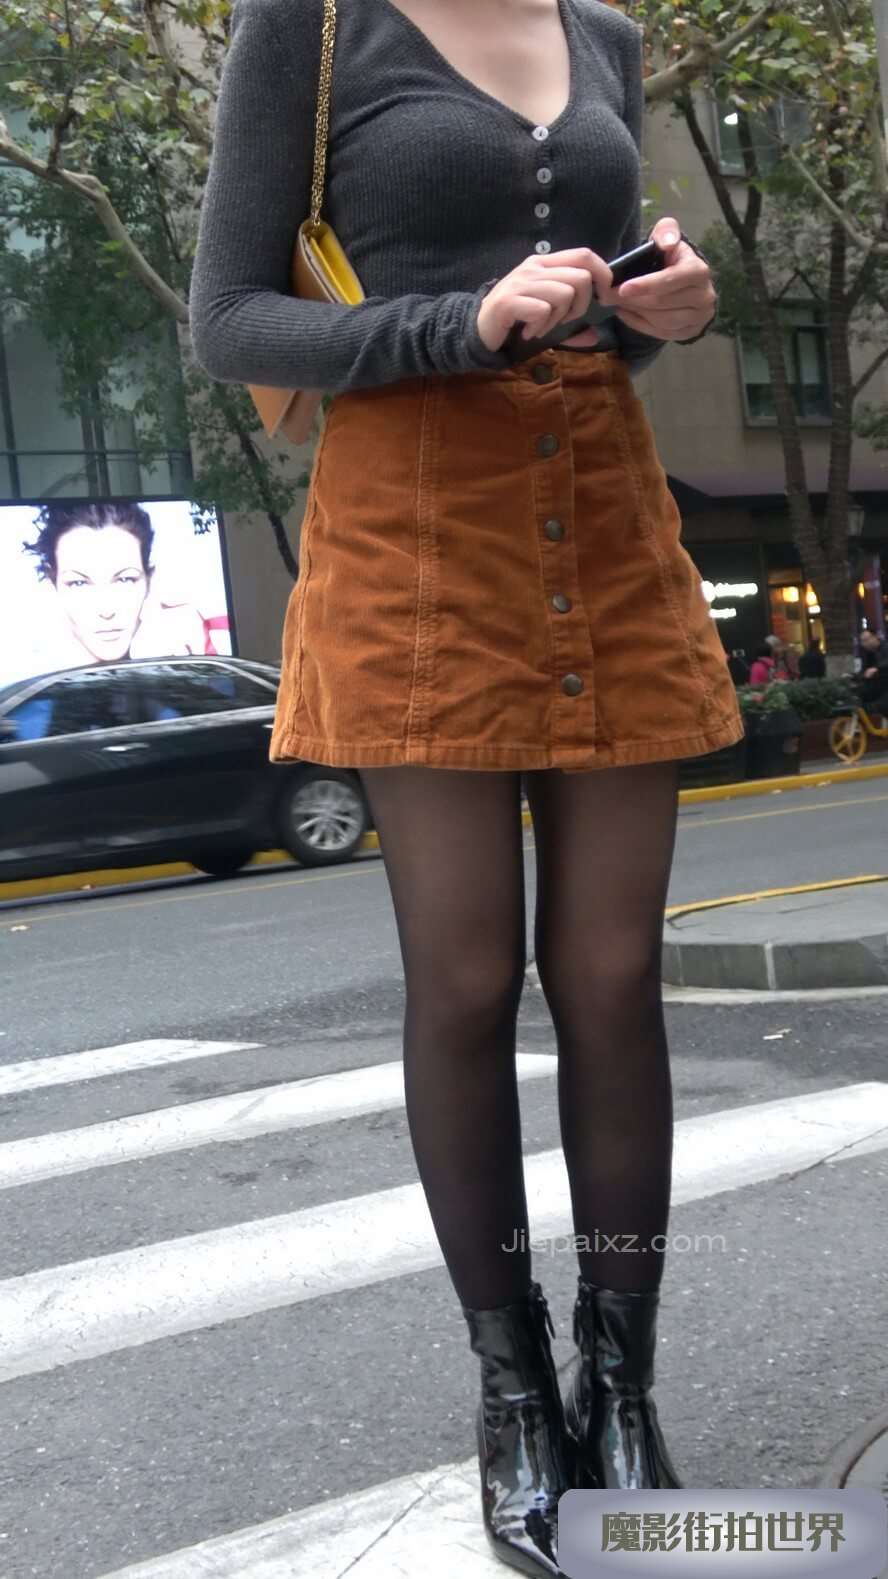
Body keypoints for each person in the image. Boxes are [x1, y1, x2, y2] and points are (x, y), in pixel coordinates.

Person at [189, 1, 744, 1571]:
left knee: (617, 976)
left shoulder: (603, 30)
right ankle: (513, 1393)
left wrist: (661, 312)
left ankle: (619, 1383)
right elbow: (230, 319)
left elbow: (607, 312)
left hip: (604, 512)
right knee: (466, 977)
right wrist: (464, 321)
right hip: (415, 533)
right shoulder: (312, 25)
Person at [22, 503, 222, 670]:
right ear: (53, 586)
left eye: (125, 580)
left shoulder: (197, 639)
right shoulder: (30, 693)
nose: (106, 611)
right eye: (79, 583)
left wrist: (200, 663)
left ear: (149, 581)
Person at [859, 629, 888, 719]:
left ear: (875, 637)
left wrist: (877, 668)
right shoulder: (868, 654)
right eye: (862, 641)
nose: (864, 644)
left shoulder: (885, 647)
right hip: (878, 685)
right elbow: (864, 670)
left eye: (866, 640)